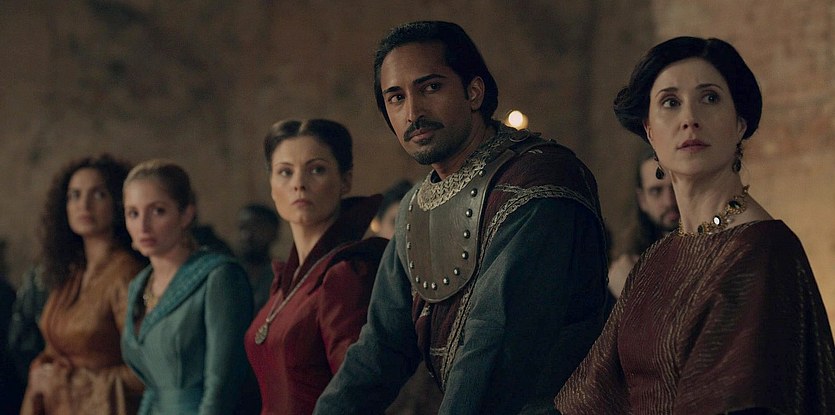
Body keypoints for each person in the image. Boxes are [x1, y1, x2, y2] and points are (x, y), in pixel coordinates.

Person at [315, 21, 608, 414]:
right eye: (396, 98)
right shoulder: (416, 205)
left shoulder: (538, 181)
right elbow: (378, 351)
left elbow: (494, 340)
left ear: (474, 91)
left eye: (430, 87)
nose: (413, 113)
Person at [554, 36, 835, 414]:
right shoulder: (658, 256)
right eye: (670, 102)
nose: (690, 118)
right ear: (650, 131)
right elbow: (593, 390)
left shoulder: (763, 251)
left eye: (710, 98)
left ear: (739, 124)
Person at [243, 119, 388, 415]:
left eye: (317, 169)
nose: (299, 183)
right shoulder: (287, 280)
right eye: (285, 172)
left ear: (345, 181)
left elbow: (357, 395)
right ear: (272, 185)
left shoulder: (345, 273)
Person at [120, 159, 253, 415]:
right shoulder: (139, 285)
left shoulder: (219, 277)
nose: (143, 226)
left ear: (186, 215)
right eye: (133, 213)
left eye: (158, 211)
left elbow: (222, 386)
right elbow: (152, 385)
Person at [19, 154, 146, 415]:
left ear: (118, 203)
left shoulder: (125, 274)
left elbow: (146, 369)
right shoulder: (72, 273)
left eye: (98, 194)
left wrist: (71, 382)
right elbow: (54, 345)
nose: (83, 205)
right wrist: (41, 372)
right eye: (74, 196)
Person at [607, 149, 679, 297]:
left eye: (676, 187)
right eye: (656, 191)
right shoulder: (630, 263)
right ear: (642, 200)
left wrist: (632, 291)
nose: (669, 201)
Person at [236, 203, 280, 311]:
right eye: (243, 228)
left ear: (273, 233)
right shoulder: (229, 272)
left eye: (255, 228)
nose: (247, 236)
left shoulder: (281, 276)